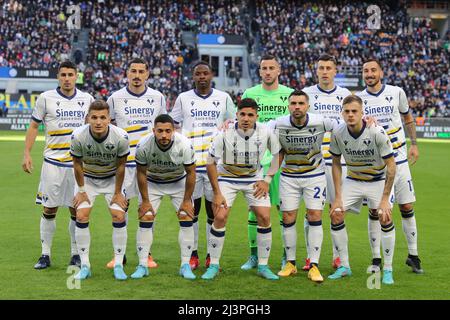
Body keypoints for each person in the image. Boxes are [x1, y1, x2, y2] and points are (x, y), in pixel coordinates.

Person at [22, 60, 94, 269]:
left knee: (76, 210)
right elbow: (34, 126)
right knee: (49, 208)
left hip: (78, 164)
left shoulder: (86, 99)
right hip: (52, 163)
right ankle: (45, 254)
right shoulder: (46, 98)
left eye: (70, 75)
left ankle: (75, 254)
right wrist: (26, 153)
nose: (67, 78)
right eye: (63, 75)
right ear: (58, 77)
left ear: (76, 76)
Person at [202, 98, 281, 281]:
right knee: (220, 216)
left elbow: (278, 154)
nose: (246, 118)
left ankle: (263, 265)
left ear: (256, 116)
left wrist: (267, 180)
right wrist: (217, 192)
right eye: (242, 114)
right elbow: (211, 163)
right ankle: (213, 264)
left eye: (250, 115)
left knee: (264, 216)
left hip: (253, 178)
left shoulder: (265, 132)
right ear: (236, 115)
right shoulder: (224, 134)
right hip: (227, 178)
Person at [357, 59, 423, 274]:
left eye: (373, 70)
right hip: (376, 164)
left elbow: (408, 118)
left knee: (406, 207)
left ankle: (413, 255)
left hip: (400, 160)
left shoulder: (396, 92)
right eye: (366, 71)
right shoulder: (358, 99)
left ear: (381, 73)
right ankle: (376, 258)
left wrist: (414, 144)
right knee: (377, 211)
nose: (369, 74)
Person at [170, 61, 235, 270]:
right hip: (191, 164)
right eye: (198, 74)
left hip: (215, 164)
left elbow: (233, 123)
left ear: (211, 74)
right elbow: (173, 124)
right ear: (193, 76)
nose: (202, 77)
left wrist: (228, 125)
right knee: (192, 210)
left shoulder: (224, 98)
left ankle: (210, 255)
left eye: (205, 73)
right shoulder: (183, 98)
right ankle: (193, 254)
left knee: (213, 210)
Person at [268, 90, 337, 282]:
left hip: (314, 175)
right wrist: (230, 124)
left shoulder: (320, 121)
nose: (297, 107)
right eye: (293, 103)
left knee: (315, 215)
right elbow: (256, 128)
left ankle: (314, 265)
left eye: (300, 103)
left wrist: (367, 120)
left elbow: (344, 126)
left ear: (307, 106)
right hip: (289, 176)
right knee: (288, 216)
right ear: (288, 106)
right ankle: (290, 263)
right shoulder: (278, 123)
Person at [328, 95, 397, 285]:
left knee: (384, 215)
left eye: (354, 111)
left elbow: (391, 166)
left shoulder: (377, 132)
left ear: (362, 113)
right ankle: (344, 266)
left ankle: (388, 269)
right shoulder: (338, 133)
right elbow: (335, 163)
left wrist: (384, 199)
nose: (350, 115)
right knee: (336, 213)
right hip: (354, 180)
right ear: (342, 113)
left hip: (378, 180)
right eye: (347, 111)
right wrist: (338, 197)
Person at [105, 57, 166, 269]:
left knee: (146, 211)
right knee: (120, 210)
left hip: (148, 165)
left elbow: (163, 129)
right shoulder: (115, 98)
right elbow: (108, 129)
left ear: (148, 74)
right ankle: (119, 256)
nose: (137, 75)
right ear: (127, 73)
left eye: (141, 71)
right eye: (133, 71)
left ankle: (146, 255)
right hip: (123, 164)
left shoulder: (158, 97)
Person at [240, 54, 294, 271]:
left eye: (272, 67)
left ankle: (285, 257)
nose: (268, 72)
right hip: (256, 162)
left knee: (285, 210)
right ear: (260, 71)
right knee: (256, 211)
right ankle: (254, 256)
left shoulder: (289, 95)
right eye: (265, 68)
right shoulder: (250, 93)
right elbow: (242, 123)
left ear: (279, 70)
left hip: (283, 161)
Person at [131, 114, 197, 280]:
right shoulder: (143, 145)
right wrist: (145, 201)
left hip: (178, 182)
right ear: (153, 130)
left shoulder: (184, 144)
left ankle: (185, 265)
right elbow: (141, 173)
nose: (164, 135)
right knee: (145, 218)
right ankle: (142, 265)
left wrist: (187, 201)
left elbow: (191, 173)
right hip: (153, 182)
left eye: (168, 131)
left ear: (174, 131)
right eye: (159, 131)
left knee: (186, 218)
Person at [70, 100, 130, 280]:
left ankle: (118, 264)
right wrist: (81, 190)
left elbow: (121, 166)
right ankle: (85, 265)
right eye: (94, 117)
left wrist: (118, 193)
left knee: (119, 215)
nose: (98, 122)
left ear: (109, 119)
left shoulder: (121, 136)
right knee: (81, 215)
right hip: (87, 179)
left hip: (112, 179)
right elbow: (77, 164)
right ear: (88, 118)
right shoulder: (78, 135)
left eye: (102, 117)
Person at [302, 54, 351, 271]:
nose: (324, 71)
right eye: (321, 67)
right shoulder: (307, 94)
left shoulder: (345, 95)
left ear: (335, 70)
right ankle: (309, 256)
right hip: (312, 161)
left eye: (328, 68)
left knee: (337, 210)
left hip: (337, 161)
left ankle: (337, 256)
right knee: (312, 211)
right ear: (316, 70)